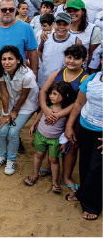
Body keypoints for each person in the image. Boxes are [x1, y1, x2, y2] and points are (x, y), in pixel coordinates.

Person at [0, 0, 39, 147]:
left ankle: (14, 136)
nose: (7, 12)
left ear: (16, 11)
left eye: (11, 9)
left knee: (13, 107)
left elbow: (32, 51)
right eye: (4, 9)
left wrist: (34, 73)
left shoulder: (26, 28)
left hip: (15, 78)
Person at [38, 44, 88, 189]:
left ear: (84, 60)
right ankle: (49, 165)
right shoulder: (57, 73)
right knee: (50, 140)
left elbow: (78, 102)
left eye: (76, 58)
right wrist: (46, 109)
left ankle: (66, 177)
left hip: (72, 118)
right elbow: (43, 92)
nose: (71, 61)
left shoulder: (85, 78)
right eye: (69, 57)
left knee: (71, 146)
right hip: (52, 114)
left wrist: (60, 115)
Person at [64, 52, 103, 220]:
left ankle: (92, 204)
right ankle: (82, 193)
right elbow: (79, 103)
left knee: (97, 167)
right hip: (86, 126)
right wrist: (70, 125)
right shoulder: (92, 79)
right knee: (85, 163)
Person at [0, 45, 39, 175]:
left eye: (10, 59)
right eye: (3, 59)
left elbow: (24, 96)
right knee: (2, 129)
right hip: (11, 101)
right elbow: (4, 94)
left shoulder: (27, 75)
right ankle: (2, 156)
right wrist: (6, 113)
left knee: (13, 132)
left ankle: (11, 159)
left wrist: (14, 111)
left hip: (27, 103)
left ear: (18, 60)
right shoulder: (1, 71)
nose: (6, 62)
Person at [25, 81, 74, 192]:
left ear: (66, 96)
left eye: (55, 94)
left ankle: (55, 182)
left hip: (55, 140)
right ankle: (35, 174)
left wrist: (64, 142)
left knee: (54, 160)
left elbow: (67, 126)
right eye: (51, 93)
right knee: (39, 154)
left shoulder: (66, 111)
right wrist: (33, 125)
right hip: (40, 135)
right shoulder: (47, 106)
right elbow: (40, 114)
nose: (51, 96)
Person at [38, 12, 81, 88]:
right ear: (53, 24)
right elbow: (41, 50)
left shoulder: (75, 41)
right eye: (59, 24)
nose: (62, 27)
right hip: (44, 79)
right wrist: (45, 63)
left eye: (65, 24)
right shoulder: (46, 37)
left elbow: (79, 59)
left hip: (63, 82)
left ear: (71, 25)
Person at [64, 0, 101, 68]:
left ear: (83, 11)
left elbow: (92, 55)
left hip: (82, 70)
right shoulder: (61, 28)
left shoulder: (93, 29)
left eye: (75, 10)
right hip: (62, 70)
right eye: (69, 11)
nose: (72, 13)